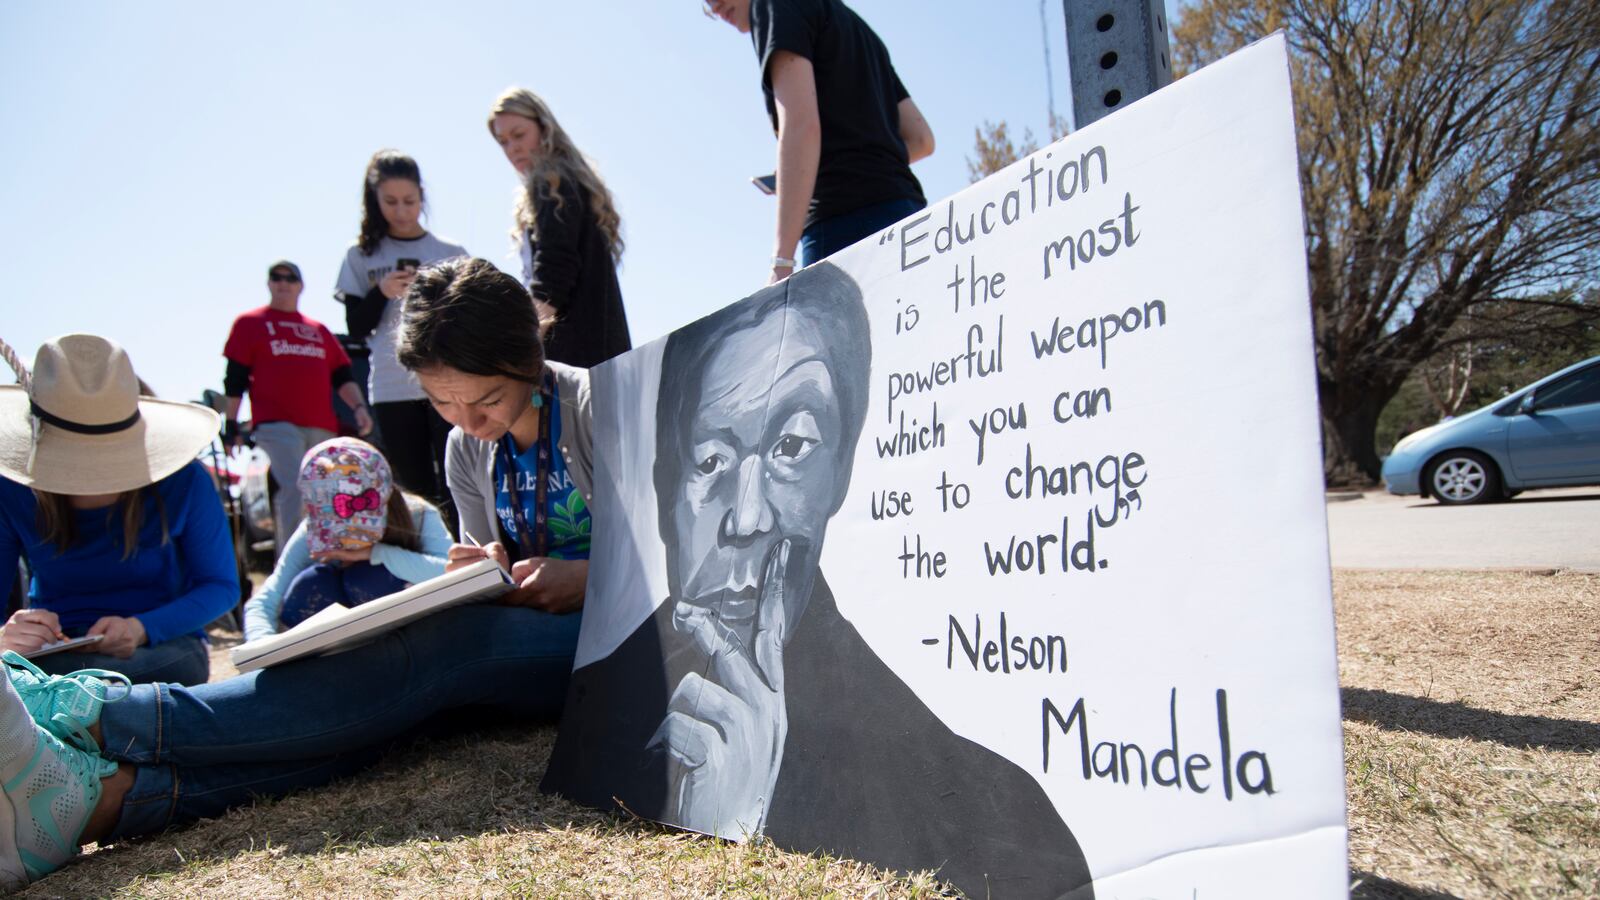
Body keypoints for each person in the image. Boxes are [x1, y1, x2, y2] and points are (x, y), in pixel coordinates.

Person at [0, 259, 589, 887]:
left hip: (605, 638)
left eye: (489, 399)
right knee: (387, 719)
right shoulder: (466, 447)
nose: (470, 423)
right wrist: (478, 570)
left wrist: (584, 578)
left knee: (447, 648)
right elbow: (490, 558)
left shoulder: (595, 405)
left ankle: (95, 715)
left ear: (528, 356)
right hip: (519, 640)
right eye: (443, 402)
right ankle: (101, 800)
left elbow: (679, 568)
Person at [541, 262, 1093, 899]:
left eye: (793, 446)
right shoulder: (594, 709)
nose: (747, 517)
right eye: (711, 459)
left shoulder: (994, 822)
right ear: (666, 487)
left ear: (842, 470)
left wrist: (744, 819)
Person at [0, 335, 236, 686]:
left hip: (162, 645)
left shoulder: (185, 480)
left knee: (82, 685)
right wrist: (7, 636)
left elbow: (221, 587)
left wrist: (142, 628)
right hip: (52, 653)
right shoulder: (12, 488)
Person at [704, 0, 935, 282]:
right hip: (908, 217)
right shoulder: (857, 28)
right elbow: (922, 139)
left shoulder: (773, 6)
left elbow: (801, 127)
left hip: (841, 227)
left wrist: (781, 262)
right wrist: (809, 168)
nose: (714, 7)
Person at [336, 150, 468, 526]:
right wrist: (381, 292)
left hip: (450, 382)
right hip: (393, 386)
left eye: (409, 201)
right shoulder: (361, 255)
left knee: (461, 478)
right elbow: (356, 328)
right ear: (374, 201)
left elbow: (470, 317)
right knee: (416, 490)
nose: (401, 210)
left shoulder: (450, 251)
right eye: (390, 202)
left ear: (422, 197)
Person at [223, 260, 375, 555]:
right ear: (268, 283)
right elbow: (235, 379)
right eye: (276, 277)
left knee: (325, 490)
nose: (283, 283)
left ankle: (332, 557)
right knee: (296, 487)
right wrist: (230, 424)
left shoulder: (317, 330)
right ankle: (292, 566)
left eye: (290, 278)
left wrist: (359, 408)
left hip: (322, 425)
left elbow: (342, 376)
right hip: (276, 424)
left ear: (300, 285)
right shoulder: (250, 323)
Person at [241, 437, 451, 642]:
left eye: (358, 529)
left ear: (385, 501)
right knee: (312, 583)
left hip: (413, 635)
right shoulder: (311, 530)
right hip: (340, 646)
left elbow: (450, 572)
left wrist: (374, 553)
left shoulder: (420, 514)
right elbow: (265, 601)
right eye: (339, 529)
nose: (348, 537)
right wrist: (262, 648)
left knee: (368, 577)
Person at [488, 88, 632, 368]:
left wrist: (523, 342)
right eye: (502, 141)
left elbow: (555, 269)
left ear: (544, 128)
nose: (512, 148)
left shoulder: (554, 184)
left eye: (519, 135)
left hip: (576, 356)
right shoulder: (565, 181)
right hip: (598, 351)